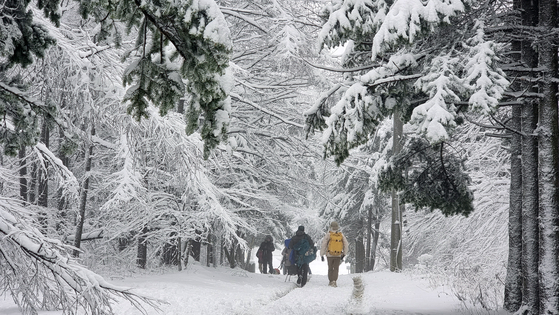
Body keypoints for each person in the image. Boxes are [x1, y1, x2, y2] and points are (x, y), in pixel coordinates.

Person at [320, 221, 349, 287]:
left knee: (330, 268)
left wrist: (322, 254)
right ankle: (334, 281)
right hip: (338, 255)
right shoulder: (341, 235)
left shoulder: (328, 234)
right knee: (336, 268)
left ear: (331, 227)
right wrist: (344, 253)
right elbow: (346, 244)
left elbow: (324, 244)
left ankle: (330, 281)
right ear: (337, 228)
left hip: (329, 254)